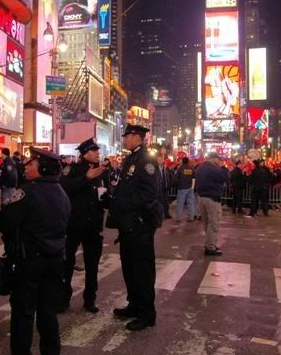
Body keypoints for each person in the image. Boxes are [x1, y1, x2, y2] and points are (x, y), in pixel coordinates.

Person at [0, 148, 70, 355]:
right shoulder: (61, 193)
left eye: (31, 164)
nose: (25, 167)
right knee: (48, 312)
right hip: (55, 260)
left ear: (43, 168)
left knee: (23, 313)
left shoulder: (28, 191)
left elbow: (3, 221)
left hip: (30, 261)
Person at [109, 124, 161, 331]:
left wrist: (124, 204)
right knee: (129, 268)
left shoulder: (146, 160)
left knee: (142, 270)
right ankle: (134, 305)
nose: (125, 139)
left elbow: (149, 194)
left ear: (137, 137)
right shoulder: (132, 158)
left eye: (128, 136)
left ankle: (147, 314)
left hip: (139, 223)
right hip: (128, 224)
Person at [59, 138, 107, 314]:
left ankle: (90, 299)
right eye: (94, 151)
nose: (98, 153)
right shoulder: (72, 169)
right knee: (67, 263)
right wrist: (86, 178)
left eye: (97, 150)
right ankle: (64, 298)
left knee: (92, 264)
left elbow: (104, 191)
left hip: (93, 225)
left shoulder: (101, 171)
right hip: (74, 224)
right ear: (85, 153)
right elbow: (65, 187)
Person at [195, 152, 230, 256]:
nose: (219, 162)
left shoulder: (199, 168)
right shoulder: (214, 169)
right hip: (212, 198)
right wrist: (224, 167)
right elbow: (225, 177)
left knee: (207, 223)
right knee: (213, 223)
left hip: (201, 198)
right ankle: (210, 246)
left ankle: (210, 243)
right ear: (214, 159)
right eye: (218, 160)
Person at [173, 157, 197, 222]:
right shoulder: (191, 169)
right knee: (190, 202)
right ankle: (191, 217)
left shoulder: (180, 168)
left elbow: (175, 178)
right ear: (188, 161)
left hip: (182, 188)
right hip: (190, 188)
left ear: (183, 161)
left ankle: (178, 218)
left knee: (180, 203)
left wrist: (177, 184)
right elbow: (194, 177)